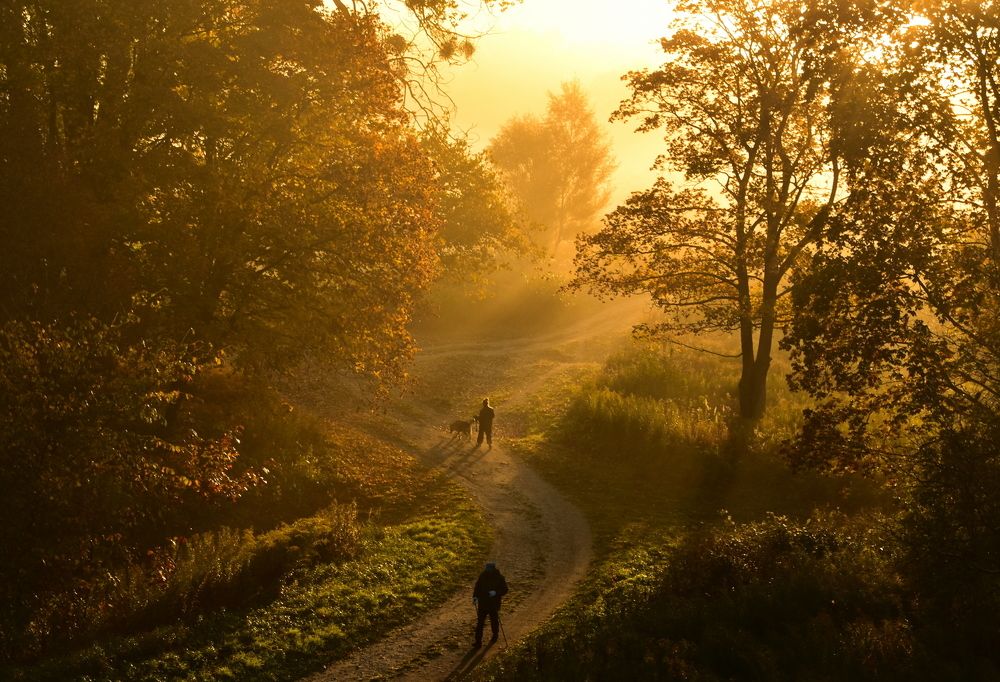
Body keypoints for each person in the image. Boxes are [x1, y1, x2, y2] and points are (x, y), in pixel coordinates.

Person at [472, 561, 508, 647]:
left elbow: (505, 589)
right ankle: (478, 642)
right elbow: (477, 587)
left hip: (493, 604)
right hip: (483, 603)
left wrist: (496, 592)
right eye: (486, 568)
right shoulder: (482, 576)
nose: (487, 570)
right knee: (480, 623)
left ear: (493, 568)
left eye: (489, 568)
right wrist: (475, 596)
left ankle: (495, 635)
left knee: (494, 621)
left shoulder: (499, 578)